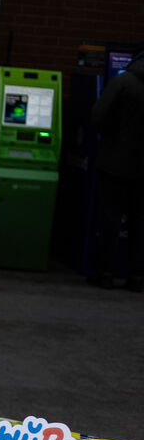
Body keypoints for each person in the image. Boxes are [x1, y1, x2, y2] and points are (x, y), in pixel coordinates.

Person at [89, 49, 144, 292]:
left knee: (110, 218)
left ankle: (106, 273)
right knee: (140, 223)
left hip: (115, 162)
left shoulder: (123, 81)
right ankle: (137, 276)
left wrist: (110, 135)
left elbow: (98, 115)